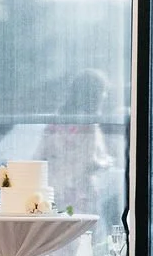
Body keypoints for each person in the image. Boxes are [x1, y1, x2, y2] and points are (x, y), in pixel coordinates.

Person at [39, 68, 117, 235]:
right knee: (84, 240)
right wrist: (107, 162)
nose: (105, 96)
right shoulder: (88, 124)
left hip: (55, 188)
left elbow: (41, 155)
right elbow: (91, 161)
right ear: (95, 94)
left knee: (58, 238)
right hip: (80, 191)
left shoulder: (56, 121)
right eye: (103, 92)